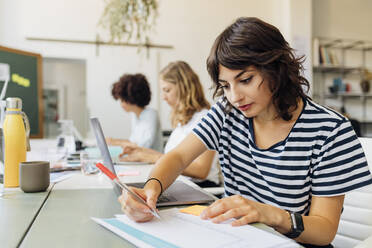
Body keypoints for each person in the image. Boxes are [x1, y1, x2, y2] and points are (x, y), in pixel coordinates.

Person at [118, 17, 372, 248]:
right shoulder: (227, 112)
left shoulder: (330, 130)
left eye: (246, 80)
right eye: (225, 85)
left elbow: (324, 230)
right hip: (236, 239)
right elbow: (178, 157)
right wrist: (151, 188)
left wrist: (268, 214)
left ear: (277, 68)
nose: (235, 96)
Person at [120, 61, 220, 187]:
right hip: (180, 183)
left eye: (167, 90)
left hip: (200, 187)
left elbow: (201, 170)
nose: (163, 97)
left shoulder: (205, 118)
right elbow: (172, 156)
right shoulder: (184, 121)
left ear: (184, 88)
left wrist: (152, 158)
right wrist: (142, 151)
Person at [106, 73, 163, 152]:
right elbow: (133, 142)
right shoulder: (135, 116)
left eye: (122, 100)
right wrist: (112, 141)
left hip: (150, 161)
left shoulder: (151, 114)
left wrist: (115, 142)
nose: (121, 104)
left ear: (131, 98)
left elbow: (143, 146)